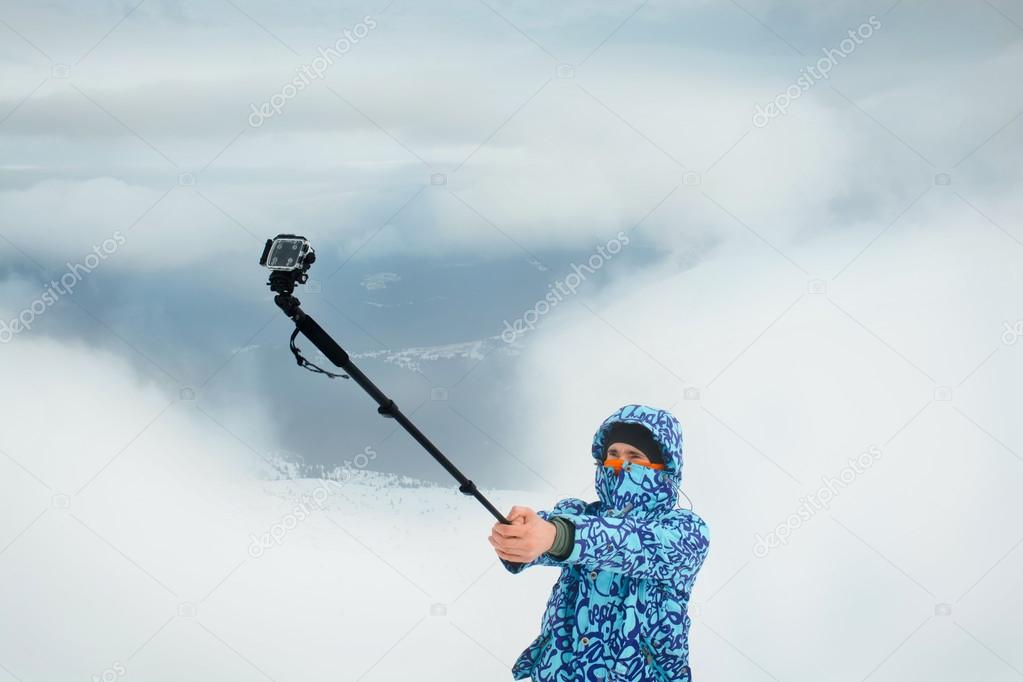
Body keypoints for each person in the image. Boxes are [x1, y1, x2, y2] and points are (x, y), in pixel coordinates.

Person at [490, 404, 710, 681]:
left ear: (663, 467)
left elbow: (630, 544)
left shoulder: (686, 532)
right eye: (613, 454)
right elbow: (547, 536)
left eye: (635, 456)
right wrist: (519, 537)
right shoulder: (578, 515)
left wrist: (558, 536)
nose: (620, 464)